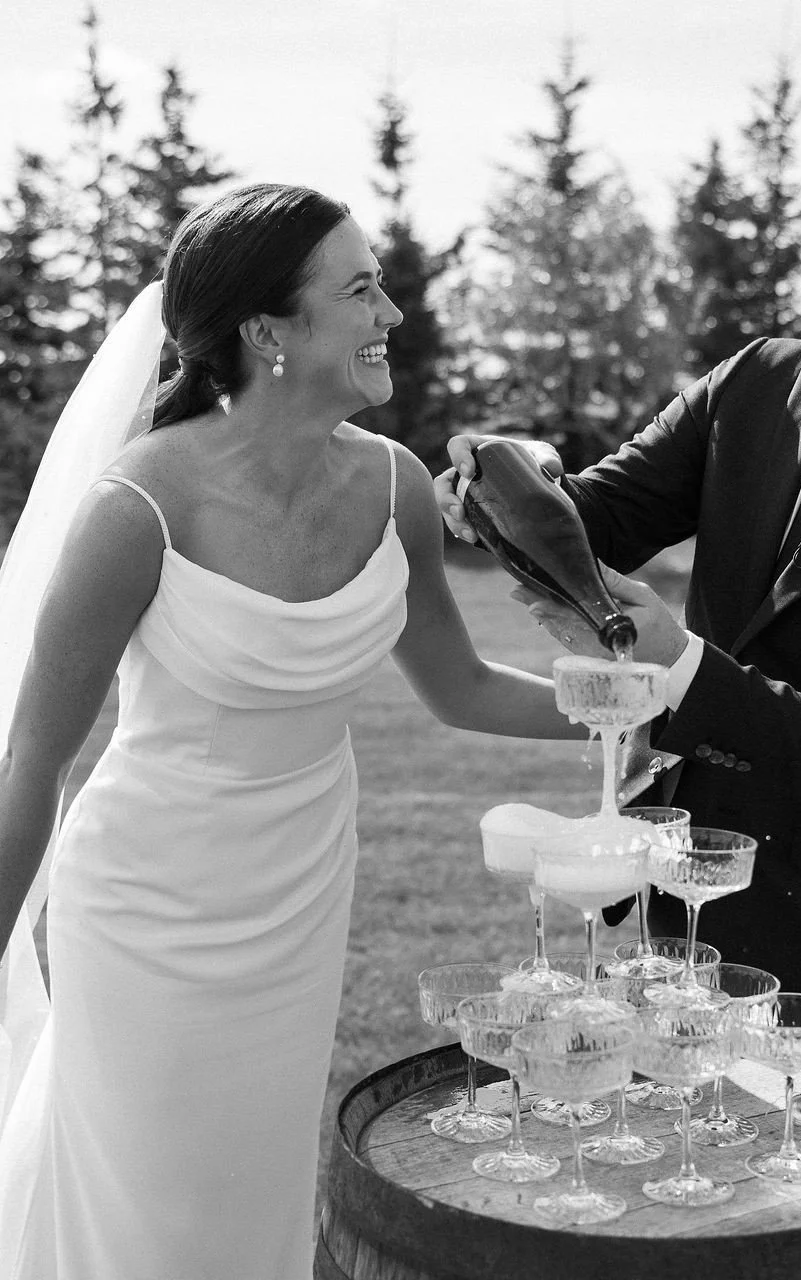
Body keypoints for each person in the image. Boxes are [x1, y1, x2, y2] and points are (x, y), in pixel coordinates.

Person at [0, 184, 579, 1280]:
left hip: (302, 904)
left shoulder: (395, 485)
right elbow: (35, 757)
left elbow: (458, 686)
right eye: (359, 290)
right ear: (268, 331)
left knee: (249, 1199)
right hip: (146, 915)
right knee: (143, 1216)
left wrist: (633, 709)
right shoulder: (138, 507)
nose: (391, 313)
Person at [437, 149, 801, 1085]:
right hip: (685, 880)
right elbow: (599, 517)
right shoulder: (757, 380)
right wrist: (511, 479)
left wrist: (679, 663)